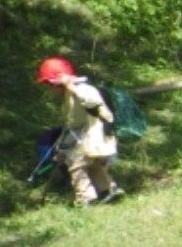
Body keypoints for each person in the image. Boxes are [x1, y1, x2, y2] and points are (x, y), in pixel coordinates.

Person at [36, 57, 122, 207]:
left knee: (76, 166)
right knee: (91, 165)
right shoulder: (69, 95)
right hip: (86, 138)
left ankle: (84, 199)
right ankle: (108, 190)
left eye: (49, 85)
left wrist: (73, 87)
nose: (49, 89)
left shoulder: (81, 88)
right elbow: (72, 123)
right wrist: (62, 147)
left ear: (56, 82)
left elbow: (93, 101)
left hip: (96, 137)